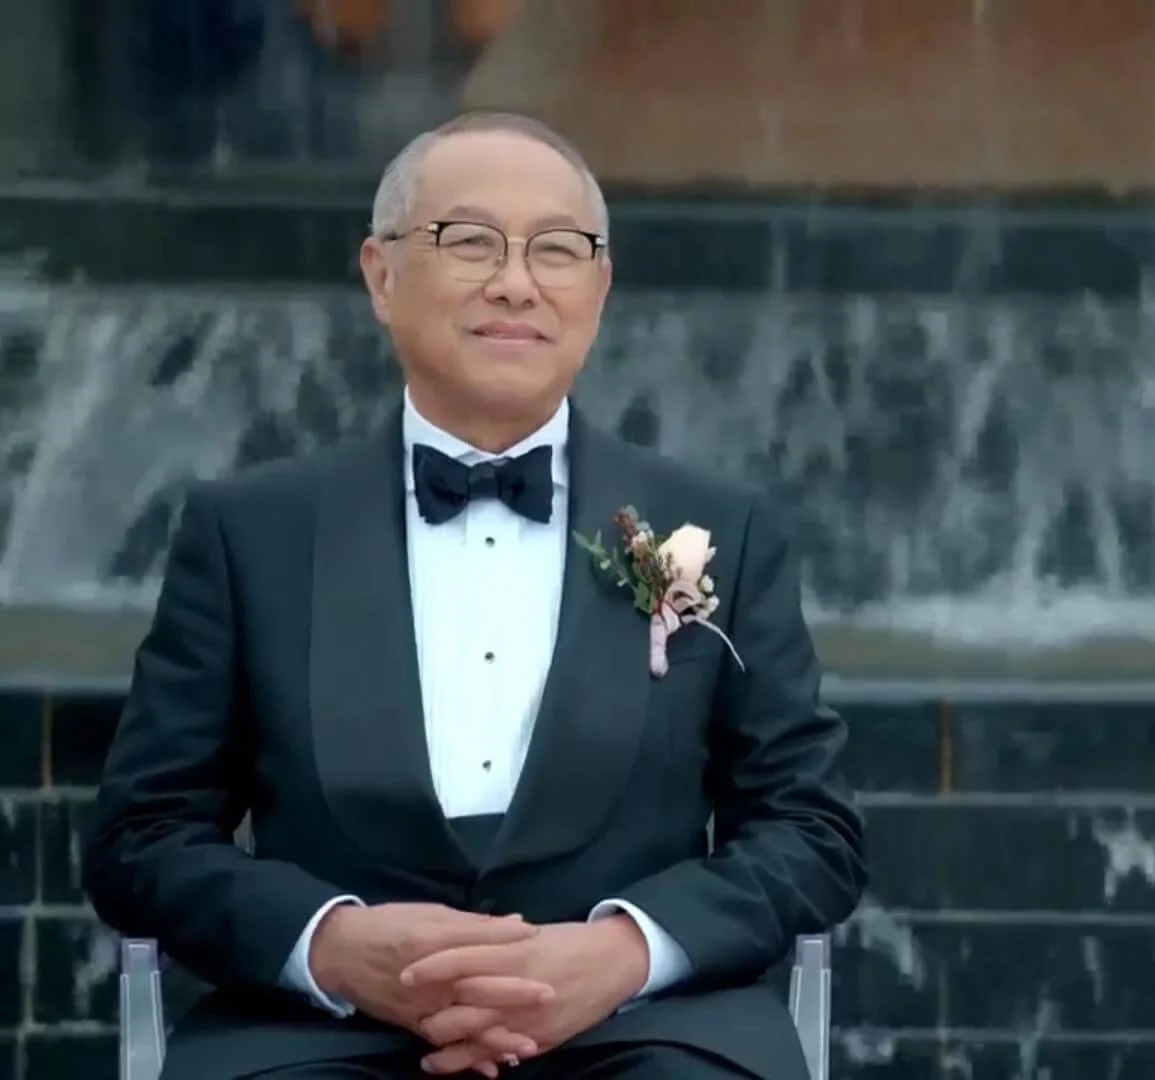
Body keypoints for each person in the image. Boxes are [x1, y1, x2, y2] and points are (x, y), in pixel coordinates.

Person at [81, 111, 866, 1080]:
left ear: (600, 287)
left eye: (557, 248)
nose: (515, 282)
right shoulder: (249, 533)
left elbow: (812, 832)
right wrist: (332, 945)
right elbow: (141, 839)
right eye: (470, 241)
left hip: (643, 1029)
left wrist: (624, 952)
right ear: (380, 274)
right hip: (323, 1033)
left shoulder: (720, 531)